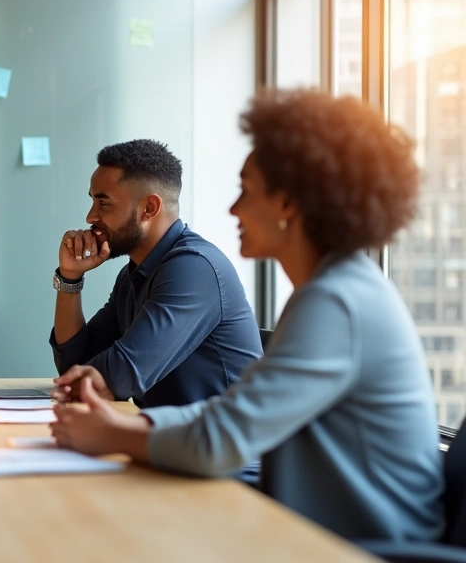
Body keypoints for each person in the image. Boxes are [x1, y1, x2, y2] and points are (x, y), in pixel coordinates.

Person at [50, 89, 443, 542]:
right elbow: (229, 415)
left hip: (365, 549)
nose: (233, 208)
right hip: (316, 531)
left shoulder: (337, 302)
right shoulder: (333, 290)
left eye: (247, 191)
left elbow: (223, 437)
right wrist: (123, 425)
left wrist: (115, 435)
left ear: (288, 205)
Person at [50, 139, 262, 409]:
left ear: (149, 208)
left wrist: (88, 379)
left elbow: (120, 375)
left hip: (217, 446)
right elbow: (75, 367)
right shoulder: (133, 275)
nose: (90, 216)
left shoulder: (194, 268)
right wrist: (70, 278)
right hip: (166, 440)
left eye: (103, 204)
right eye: (92, 201)